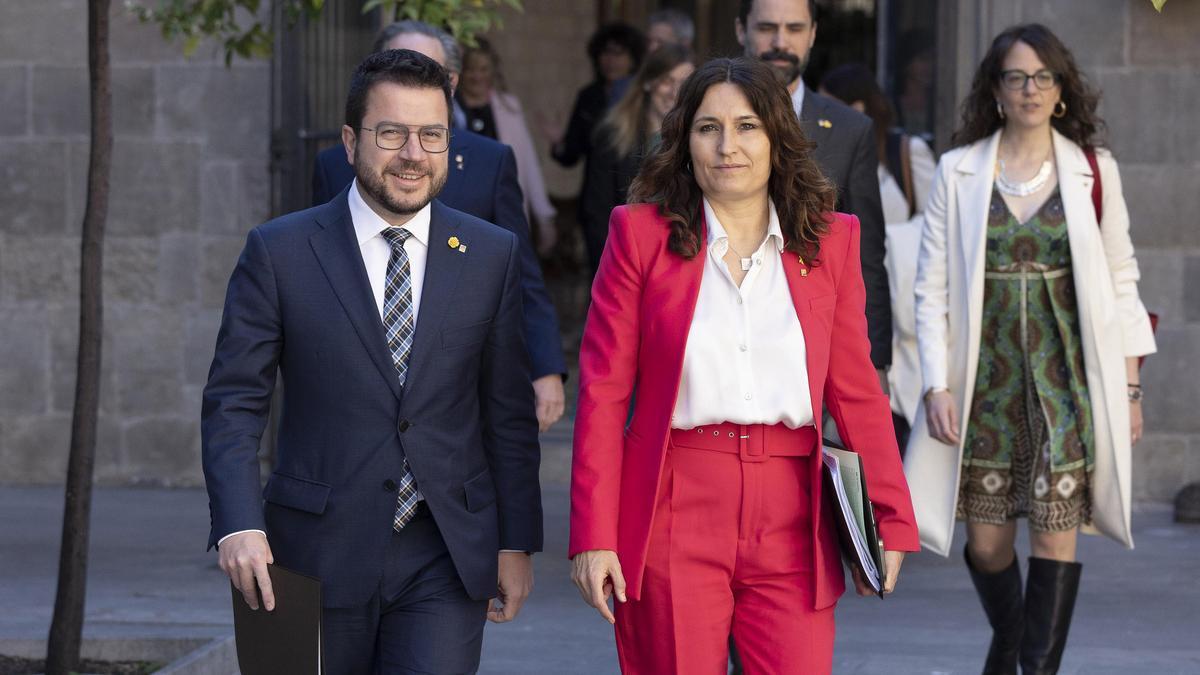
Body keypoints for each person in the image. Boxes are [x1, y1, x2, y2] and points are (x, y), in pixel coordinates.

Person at [568, 57, 919, 674]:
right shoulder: (639, 236)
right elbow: (603, 391)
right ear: (684, 139)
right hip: (675, 505)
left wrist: (892, 515)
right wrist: (594, 534)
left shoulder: (830, 241)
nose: (727, 146)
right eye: (707, 128)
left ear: (778, 137)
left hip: (794, 510)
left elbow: (858, 392)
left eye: (747, 126)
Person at [203, 49, 543, 673]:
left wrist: (516, 540)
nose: (413, 153)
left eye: (431, 135)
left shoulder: (490, 254)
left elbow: (507, 413)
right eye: (392, 133)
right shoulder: (280, 252)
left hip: (444, 555)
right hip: (304, 556)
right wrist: (236, 525)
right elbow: (234, 401)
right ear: (351, 140)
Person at [906, 24, 1157, 674]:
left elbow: (1123, 277)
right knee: (987, 544)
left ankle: (1033, 668)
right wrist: (935, 384)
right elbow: (929, 287)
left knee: (1054, 532)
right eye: (1016, 77)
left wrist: (1131, 387)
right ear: (995, 89)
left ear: (1061, 88)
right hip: (982, 389)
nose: (1030, 89)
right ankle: (1015, 645)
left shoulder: (1093, 170)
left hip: (1065, 387)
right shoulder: (959, 171)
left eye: (1043, 76)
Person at [311, 21, 567, 433]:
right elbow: (318, 269)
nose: (412, 154)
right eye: (400, 67)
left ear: (450, 81)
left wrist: (545, 364)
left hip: (466, 377)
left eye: (426, 69)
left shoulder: (490, 160)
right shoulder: (333, 165)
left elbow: (521, 272)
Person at [736, 0, 891, 377]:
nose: (780, 42)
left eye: (794, 29)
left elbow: (866, 255)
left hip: (814, 350)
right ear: (742, 30)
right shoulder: (704, 121)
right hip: (718, 339)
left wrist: (874, 364)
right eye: (766, 28)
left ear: (813, 34)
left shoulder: (850, 130)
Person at [820, 63, 937, 452]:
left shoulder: (907, 152)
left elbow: (934, 222)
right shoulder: (828, 153)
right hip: (859, 288)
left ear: (857, 106)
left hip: (906, 297)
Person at [579, 44, 694, 275]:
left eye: (685, 83)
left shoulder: (701, 139)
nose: (675, 91)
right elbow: (597, 210)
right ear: (648, 83)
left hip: (682, 264)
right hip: (624, 260)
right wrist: (608, 268)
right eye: (666, 81)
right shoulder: (614, 135)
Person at [542, 22, 646, 272]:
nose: (610, 60)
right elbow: (570, 156)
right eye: (605, 53)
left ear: (632, 58)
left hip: (635, 200)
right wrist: (558, 143)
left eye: (618, 53)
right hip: (596, 206)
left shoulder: (644, 98)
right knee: (600, 274)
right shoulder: (588, 96)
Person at [457, 37, 558, 255]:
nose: (477, 76)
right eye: (471, 70)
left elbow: (528, 162)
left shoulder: (509, 106)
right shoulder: (450, 107)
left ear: (493, 71)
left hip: (502, 208)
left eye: (484, 69)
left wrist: (544, 217)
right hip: (461, 210)